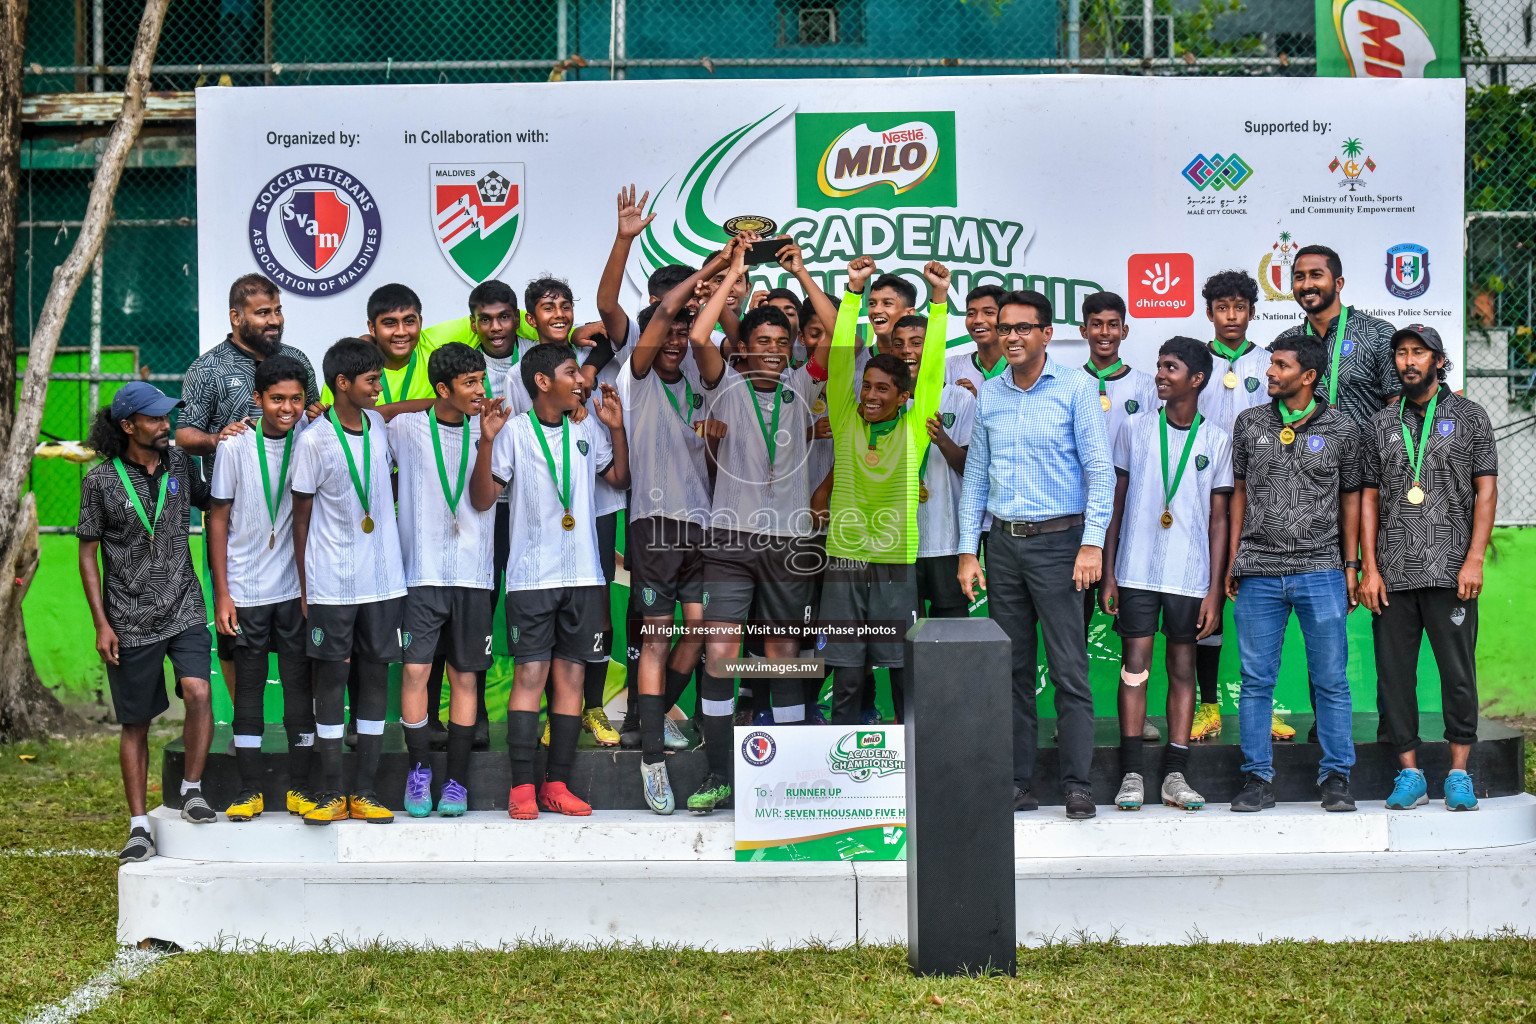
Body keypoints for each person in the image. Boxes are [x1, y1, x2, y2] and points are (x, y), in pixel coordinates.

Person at [957, 289, 1113, 820]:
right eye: (1005, 328)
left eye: (1023, 328)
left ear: (1047, 334)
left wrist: (1092, 543)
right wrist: (967, 551)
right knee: (1012, 671)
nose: (1012, 337)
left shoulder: (1074, 387)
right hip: (1002, 547)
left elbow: (1099, 471)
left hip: (1060, 546)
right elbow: (977, 475)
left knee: (1069, 671)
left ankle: (1078, 785)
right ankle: (1018, 783)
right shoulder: (991, 393)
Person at [689, 237, 821, 814]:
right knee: (720, 653)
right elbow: (697, 336)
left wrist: (802, 272)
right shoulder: (726, 386)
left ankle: (785, 782)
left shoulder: (804, 388)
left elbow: (841, 340)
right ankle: (720, 774)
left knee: (782, 652)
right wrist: (735, 270)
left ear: (792, 349)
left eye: (780, 342)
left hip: (788, 544)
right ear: (742, 348)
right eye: (760, 342)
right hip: (730, 544)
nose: (770, 350)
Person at [485, 344, 629, 820]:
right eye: (572, 372)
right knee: (532, 674)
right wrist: (486, 441)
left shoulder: (587, 426)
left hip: (585, 575)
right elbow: (484, 499)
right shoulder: (513, 433)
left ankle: (557, 784)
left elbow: (619, 478)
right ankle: (522, 787)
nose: (581, 380)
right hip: (531, 577)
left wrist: (616, 428)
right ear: (543, 382)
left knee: (570, 676)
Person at [1360, 325, 1498, 813]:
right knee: (1394, 678)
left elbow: (1486, 491)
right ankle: (1410, 773)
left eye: (1419, 352)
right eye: (1401, 353)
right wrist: (1369, 569)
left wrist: (1475, 559)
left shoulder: (1470, 416)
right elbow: (1369, 500)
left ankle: (1459, 773)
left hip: (1452, 571)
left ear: (1439, 360)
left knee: (1457, 675)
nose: (1409, 361)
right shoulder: (1379, 422)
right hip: (1394, 574)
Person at [78, 382, 217, 864]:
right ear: (127, 425)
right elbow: (88, 554)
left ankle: (193, 789)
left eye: (167, 417)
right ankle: (139, 826)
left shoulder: (180, 462)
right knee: (136, 722)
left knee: (199, 692)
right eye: (156, 419)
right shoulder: (99, 482)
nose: (166, 425)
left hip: (185, 604)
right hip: (129, 616)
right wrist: (101, 623)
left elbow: (213, 502)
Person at [1226, 335, 1361, 814]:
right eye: (1270, 364)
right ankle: (1257, 779)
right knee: (1257, 679)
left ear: (1308, 376)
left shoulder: (1343, 428)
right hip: (1259, 570)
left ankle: (1337, 778)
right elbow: (1238, 493)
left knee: (1330, 680)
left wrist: (1350, 564)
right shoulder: (1249, 423)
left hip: (1322, 570)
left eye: (1280, 366)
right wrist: (1235, 558)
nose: (1270, 373)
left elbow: (1350, 500)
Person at [815, 257, 951, 723]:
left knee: (899, 666)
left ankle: (911, 755)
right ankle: (842, 754)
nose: (870, 395)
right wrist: (853, 292)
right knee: (848, 671)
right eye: (866, 386)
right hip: (846, 559)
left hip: (895, 560)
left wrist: (938, 301)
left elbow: (931, 368)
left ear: (903, 394)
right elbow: (838, 363)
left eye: (882, 389)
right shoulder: (845, 418)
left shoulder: (915, 428)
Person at [1100, 338, 1232, 812]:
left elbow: (1220, 520)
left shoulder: (1216, 439)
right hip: (1135, 569)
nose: (1159, 373)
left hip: (1190, 576)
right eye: (1158, 365)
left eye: (1170, 367)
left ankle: (1176, 774)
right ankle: (1131, 773)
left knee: (1183, 670)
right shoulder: (1134, 428)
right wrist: (1110, 572)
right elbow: (1115, 502)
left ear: (1196, 379)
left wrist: (1215, 589)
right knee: (1135, 668)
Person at [617, 258, 729, 814]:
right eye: (670, 332)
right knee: (658, 639)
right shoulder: (633, 380)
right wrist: (711, 266)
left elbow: (707, 335)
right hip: (655, 526)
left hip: (701, 524)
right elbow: (663, 311)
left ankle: (653, 717)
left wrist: (730, 276)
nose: (678, 341)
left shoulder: (700, 383)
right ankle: (653, 759)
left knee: (700, 632)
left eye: (686, 334)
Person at [177, 274, 320, 697]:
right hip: (234, 514)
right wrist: (219, 437)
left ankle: (307, 724)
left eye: (277, 311)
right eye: (263, 314)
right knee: (235, 629)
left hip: (297, 507)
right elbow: (185, 433)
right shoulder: (208, 368)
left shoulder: (297, 359)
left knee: (303, 622)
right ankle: (244, 720)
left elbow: (311, 412)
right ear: (236, 317)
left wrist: (318, 414)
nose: (274, 320)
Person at [291, 338, 407, 825]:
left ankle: (365, 791)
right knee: (333, 679)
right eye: (371, 380)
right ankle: (331, 790)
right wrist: (304, 585)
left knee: (376, 678)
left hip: (383, 584)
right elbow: (300, 517)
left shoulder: (380, 426)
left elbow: (409, 410)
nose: (379, 386)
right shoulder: (314, 439)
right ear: (342, 384)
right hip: (332, 584)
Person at [390, 343, 500, 818]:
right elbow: (374, 412)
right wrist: (425, 405)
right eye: (470, 383)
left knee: (464, 676)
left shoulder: (495, 429)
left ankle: (455, 780)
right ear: (442, 389)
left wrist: (488, 442)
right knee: (415, 671)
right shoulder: (405, 428)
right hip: (422, 573)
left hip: (474, 575)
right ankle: (419, 771)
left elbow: (481, 502)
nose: (480, 391)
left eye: (482, 380)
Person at [207, 356, 318, 822]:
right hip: (247, 588)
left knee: (297, 688)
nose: (287, 408)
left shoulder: (312, 441)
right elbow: (216, 518)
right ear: (257, 400)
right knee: (249, 689)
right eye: (277, 399)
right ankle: (249, 789)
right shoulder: (234, 447)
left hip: (294, 589)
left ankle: (301, 789)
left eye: (295, 399)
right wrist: (223, 594)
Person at [1192, 270, 1291, 743]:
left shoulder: (1271, 362)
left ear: (1252, 311)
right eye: (1222, 308)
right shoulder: (1193, 363)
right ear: (1209, 312)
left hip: (1259, 494)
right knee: (1204, 592)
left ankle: (1263, 705)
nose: (1231, 316)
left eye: (1239, 307)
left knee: (1258, 601)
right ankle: (1207, 705)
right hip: (1202, 493)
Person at [891, 314, 974, 620]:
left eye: (916, 343)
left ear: (935, 348)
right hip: (896, 541)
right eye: (898, 344)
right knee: (902, 629)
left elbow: (971, 468)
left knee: (950, 628)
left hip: (946, 539)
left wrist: (942, 441)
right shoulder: (883, 400)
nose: (906, 350)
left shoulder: (960, 398)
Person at [1274, 244, 1399, 428]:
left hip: (1365, 455)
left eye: (1316, 275)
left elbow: (1399, 409)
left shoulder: (1378, 333)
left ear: (1338, 283)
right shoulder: (1286, 343)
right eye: (1299, 277)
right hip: (1304, 455)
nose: (1307, 284)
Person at [321, 283, 439, 418]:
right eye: (390, 323)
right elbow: (336, 422)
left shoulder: (437, 346)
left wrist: (381, 412)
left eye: (409, 321)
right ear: (372, 328)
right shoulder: (348, 368)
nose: (401, 331)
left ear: (420, 322)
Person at [946, 284, 1007, 395]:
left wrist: (974, 402)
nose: (978, 320)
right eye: (971, 314)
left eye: (989, 312)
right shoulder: (951, 367)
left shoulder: (1022, 369)